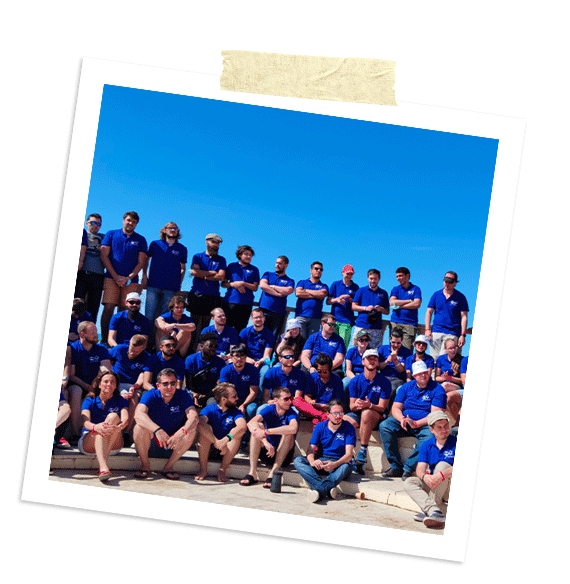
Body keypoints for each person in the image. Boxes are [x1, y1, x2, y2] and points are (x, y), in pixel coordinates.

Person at [379, 360, 447, 480]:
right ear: (414, 376)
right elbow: (396, 407)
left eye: (425, 372)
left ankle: (408, 468)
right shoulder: (406, 387)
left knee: (430, 435)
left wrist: (416, 424)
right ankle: (395, 466)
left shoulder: (438, 389)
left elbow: (436, 414)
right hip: (405, 421)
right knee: (385, 425)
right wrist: (402, 419)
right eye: (419, 373)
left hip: (426, 423)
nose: (423, 375)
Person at [133, 368, 198, 480]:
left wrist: (181, 432)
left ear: (177, 384)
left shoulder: (183, 395)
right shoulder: (151, 394)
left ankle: (168, 467)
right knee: (139, 427)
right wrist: (157, 430)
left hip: (173, 443)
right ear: (158, 385)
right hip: (151, 442)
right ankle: (145, 465)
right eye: (165, 384)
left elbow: (194, 417)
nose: (170, 387)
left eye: (173, 383)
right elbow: (138, 414)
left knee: (191, 430)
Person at [100, 211, 148, 345]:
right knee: (109, 308)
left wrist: (128, 277)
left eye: (133, 222)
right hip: (111, 277)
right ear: (123, 220)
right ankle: (104, 340)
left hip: (131, 281)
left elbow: (141, 261)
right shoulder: (111, 234)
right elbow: (104, 255)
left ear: (136, 224)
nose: (130, 223)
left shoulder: (141, 239)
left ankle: (120, 342)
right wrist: (115, 276)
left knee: (124, 310)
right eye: (128, 220)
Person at [293, 400, 355, 503]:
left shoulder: (349, 428)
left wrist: (334, 464)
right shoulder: (320, 426)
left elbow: (348, 455)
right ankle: (326, 489)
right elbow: (311, 449)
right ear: (328, 414)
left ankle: (319, 490)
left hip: (339, 463)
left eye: (341, 413)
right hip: (322, 461)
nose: (338, 416)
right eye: (335, 413)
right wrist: (313, 461)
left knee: (346, 467)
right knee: (298, 461)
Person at [403, 411, 456, 528]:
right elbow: (420, 469)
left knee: (442, 466)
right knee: (409, 482)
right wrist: (424, 477)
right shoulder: (427, 445)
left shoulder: (457, 442)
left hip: (450, 487)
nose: (444, 430)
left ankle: (430, 511)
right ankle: (433, 511)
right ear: (431, 430)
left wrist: (441, 474)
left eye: (446, 426)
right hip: (435, 484)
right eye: (439, 427)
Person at [240, 387, 298, 488]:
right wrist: (265, 441)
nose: (289, 401)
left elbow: (293, 428)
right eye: (286, 399)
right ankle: (252, 472)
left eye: (290, 398)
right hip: (267, 452)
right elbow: (251, 423)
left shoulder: (291, 412)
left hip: (284, 456)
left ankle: (273, 473)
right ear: (276, 400)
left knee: (288, 432)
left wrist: (267, 432)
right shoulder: (270, 409)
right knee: (257, 428)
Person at [142, 222, 188, 349]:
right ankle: (147, 345)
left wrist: (179, 283)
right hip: (153, 285)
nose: (173, 230)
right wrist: (144, 275)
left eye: (175, 228)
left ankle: (159, 346)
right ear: (164, 230)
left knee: (163, 319)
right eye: (170, 228)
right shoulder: (155, 244)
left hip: (170, 288)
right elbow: (146, 260)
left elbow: (183, 268)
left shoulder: (182, 249)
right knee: (149, 317)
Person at [79, 370, 128, 482]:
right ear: (99, 384)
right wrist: (96, 427)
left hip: (113, 442)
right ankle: (103, 465)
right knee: (100, 431)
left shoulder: (120, 400)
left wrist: (118, 428)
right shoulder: (90, 399)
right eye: (106, 381)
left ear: (116, 386)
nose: (109, 384)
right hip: (89, 442)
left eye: (112, 382)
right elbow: (85, 422)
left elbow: (125, 420)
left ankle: (103, 466)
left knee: (114, 416)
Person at [344, 349, 391, 466]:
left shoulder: (384, 381)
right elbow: (351, 406)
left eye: (375, 359)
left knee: (366, 413)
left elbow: (382, 407)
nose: (372, 361)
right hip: (358, 412)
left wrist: (368, 405)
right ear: (363, 361)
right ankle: (344, 455)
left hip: (375, 413)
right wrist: (358, 405)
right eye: (369, 358)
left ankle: (362, 453)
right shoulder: (355, 380)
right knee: (341, 420)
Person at [67, 321, 112, 441]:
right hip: (77, 383)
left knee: (109, 388)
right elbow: (71, 375)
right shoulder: (73, 348)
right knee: (76, 391)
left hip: (95, 383)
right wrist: (87, 386)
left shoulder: (101, 349)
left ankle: (107, 433)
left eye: (96, 331)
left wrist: (100, 381)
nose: (96, 334)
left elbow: (105, 368)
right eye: (92, 332)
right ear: (82, 334)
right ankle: (76, 435)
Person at [195, 383, 247, 482]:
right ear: (223, 399)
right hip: (210, 448)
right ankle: (203, 470)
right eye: (234, 396)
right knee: (205, 429)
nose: (237, 398)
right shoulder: (209, 409)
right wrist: (217, 442)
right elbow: (200, 424)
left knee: (236, 434)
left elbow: (242, 426)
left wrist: (225, 440)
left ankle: (222, 470)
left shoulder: (236, 412)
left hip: (227, 450)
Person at [186, 233, 227, 342]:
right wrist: (212, 273)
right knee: (193, 325)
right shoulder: (197, 256)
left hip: (212, 296)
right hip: (197, 294)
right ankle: (190, 351)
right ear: (207, 242)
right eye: (213, 242)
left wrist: (202, 275)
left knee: (205, 326)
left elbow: (221, 276)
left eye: (218, 243)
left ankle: (201, 349)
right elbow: (194, 272)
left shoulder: (221, 260)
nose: (215, 245)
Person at [109, 334, 150, 439]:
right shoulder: (119, 349)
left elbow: (143, 375)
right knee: (120, 396)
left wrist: (135, 387)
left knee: (134, 398)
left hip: (134, 385)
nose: (132, 353)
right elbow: (107, 361)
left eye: (136, 351)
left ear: (143, 348)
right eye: (131, 349)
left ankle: (126, 432)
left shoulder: (147, 357)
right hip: (117, 383)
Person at [424, 271, 469, 360]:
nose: (447, 284)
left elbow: (464, 317)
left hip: (452, 333)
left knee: (443, 359)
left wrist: (463, 335)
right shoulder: (436, 295)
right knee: (433, 360)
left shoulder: (461, 297)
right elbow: (429, 312)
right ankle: (433, 375)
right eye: (445, 281)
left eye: (450, 282)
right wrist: (427, 329)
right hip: (436, 332)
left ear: (455, 283)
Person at [294, 353, 343, 424]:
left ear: (330, 370)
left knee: (316, 421)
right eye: (319, 371)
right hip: (313, 408)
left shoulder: (337, 380)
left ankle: (320, 416)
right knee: (297, 401)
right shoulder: (312, 377)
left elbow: (338, 402)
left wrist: (327, 406)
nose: (322, 374)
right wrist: (310, 401)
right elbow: (307, 396)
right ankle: (320, 415)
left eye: (325, 372)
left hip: (328, 409)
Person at [221, 244, 260, 333]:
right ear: (240, 255)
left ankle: (236, 347)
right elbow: (223, 284)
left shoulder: (254, 269)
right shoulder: (231, 266)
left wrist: (243, 283)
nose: (249, 256)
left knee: (240, 329)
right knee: (226, 328)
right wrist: (234, 284)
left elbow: (255, 287)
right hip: (230, 302)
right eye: (246, 254)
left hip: (246, 304)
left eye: (250, 255)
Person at [74, 213, 105, 322]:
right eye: (92, 222)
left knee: (93, 307)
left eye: (98, 223)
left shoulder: (104, 237)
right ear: (87, 223)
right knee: (77, 305)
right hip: (82, 274)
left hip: (98, 275)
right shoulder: (82, 234)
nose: (95, 225)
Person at [258, 255, 295, 342]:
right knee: (259, 335)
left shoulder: (289, 280)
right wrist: (278, 294)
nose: (277, 265)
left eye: (280, 263)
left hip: (278, 312)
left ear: (286, 265)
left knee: (272, 338)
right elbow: (263, 285)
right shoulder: (267, 274)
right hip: (264, 309)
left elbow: (288, 290)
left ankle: (268, 356)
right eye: (276, 263)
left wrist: (272, 286)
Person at [184, 332, 226, 408]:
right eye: (210, 346)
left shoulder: (220, 362)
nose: (214, 348)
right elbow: (188, 383)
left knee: (212, 403)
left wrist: (206, 396)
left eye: (215, 346)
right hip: (193, 391)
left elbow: (219, 385)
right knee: (187, 399)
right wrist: (195, 394)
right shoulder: (191, 359)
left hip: (211, 393)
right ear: (201, 346)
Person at [219, 344, 260, 420]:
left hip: (247, 400)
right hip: (230, 399)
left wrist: (243, 405)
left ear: (246, 357)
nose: (239, 359)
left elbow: (253, 392)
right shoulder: (225, 370)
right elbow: (224, 391)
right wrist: (233, 405)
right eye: (236, 356)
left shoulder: (253, 370)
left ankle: (249, 430)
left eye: (242, 356)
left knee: (252, 409)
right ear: (231, 357)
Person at [351, 269, 390, 349]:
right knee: (357, 351)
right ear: (368, 278)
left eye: (375, 279)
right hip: (361, 325)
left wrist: (381, 309)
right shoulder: (361, 290)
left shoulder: (384, 293)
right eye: (371, 278)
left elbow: (387, 311)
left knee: (373, 354)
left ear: (379, 279)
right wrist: (365, 308)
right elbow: (353, 306)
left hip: (376, 328)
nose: (373, 281)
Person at [239, 307, 275, 384]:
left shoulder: (269, 334)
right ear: (252, 319)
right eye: (256, 317)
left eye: (260, 317)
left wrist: (258, 362)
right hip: (246, 359)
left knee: (265, 372)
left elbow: (267, 356)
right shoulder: (244, 332)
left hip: (262, 361)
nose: (258, 319)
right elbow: (241, 351)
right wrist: (249, 360)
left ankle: (259, 395)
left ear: (264, 318)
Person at [389, 267, 422, 351]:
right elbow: (392, 303)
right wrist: (407, 301)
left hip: (409, 324)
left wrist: (399, 305)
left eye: (400, 276)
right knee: (393, 349)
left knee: (407, 350)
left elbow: (417, 304)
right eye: (397, 276)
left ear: (407, 276)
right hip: (395, 322)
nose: (398, 278)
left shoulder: (415, 289)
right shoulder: (395, 289)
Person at [294, 261, 330, 339]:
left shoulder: (324, 286)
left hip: (315, 318)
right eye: (316, 268)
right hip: (301, 316)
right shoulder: (302, 282)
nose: (319, 271)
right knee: (299, 341)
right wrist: (316, 294)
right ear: (311, 270)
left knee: (311, 343)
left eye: (321, 269)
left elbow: (322, 294)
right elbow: (298, 293)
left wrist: (306, 290)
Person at [326, 264, 359, 349]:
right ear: (343, 273)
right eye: (347, 273)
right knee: (330, 346)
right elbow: (328, 301)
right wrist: (337, 299)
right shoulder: (335, 284)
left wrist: (351, 301)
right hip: (333, 320)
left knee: (342, 347)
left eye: (351, 274)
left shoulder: (355, 287)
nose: (349, 276)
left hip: (347, 321)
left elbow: (357, 304)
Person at [434, 338, 463, 425]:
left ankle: (438, 414)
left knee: (444, 386)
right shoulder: (441, 359)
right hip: (444, 383)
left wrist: (450, 378)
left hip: (456, 386)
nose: (453, 350)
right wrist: (443, 378)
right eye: (450, 348)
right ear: (445, 349)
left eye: (455, 347)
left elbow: (463, 381)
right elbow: (436, 378)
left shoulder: (462, 360)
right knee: (444, 388)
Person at [378, 328, 412, 396]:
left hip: (397, 379)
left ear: (402, 341)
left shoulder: (406, 352)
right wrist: (387, 361)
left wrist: (395, 359)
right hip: (383, 376)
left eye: (398, 343)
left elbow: (401, 370)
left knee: (391, 389)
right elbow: (378, 367)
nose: (396, 345)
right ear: (390, 340)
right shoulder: (383, 348)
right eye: (393, 342)